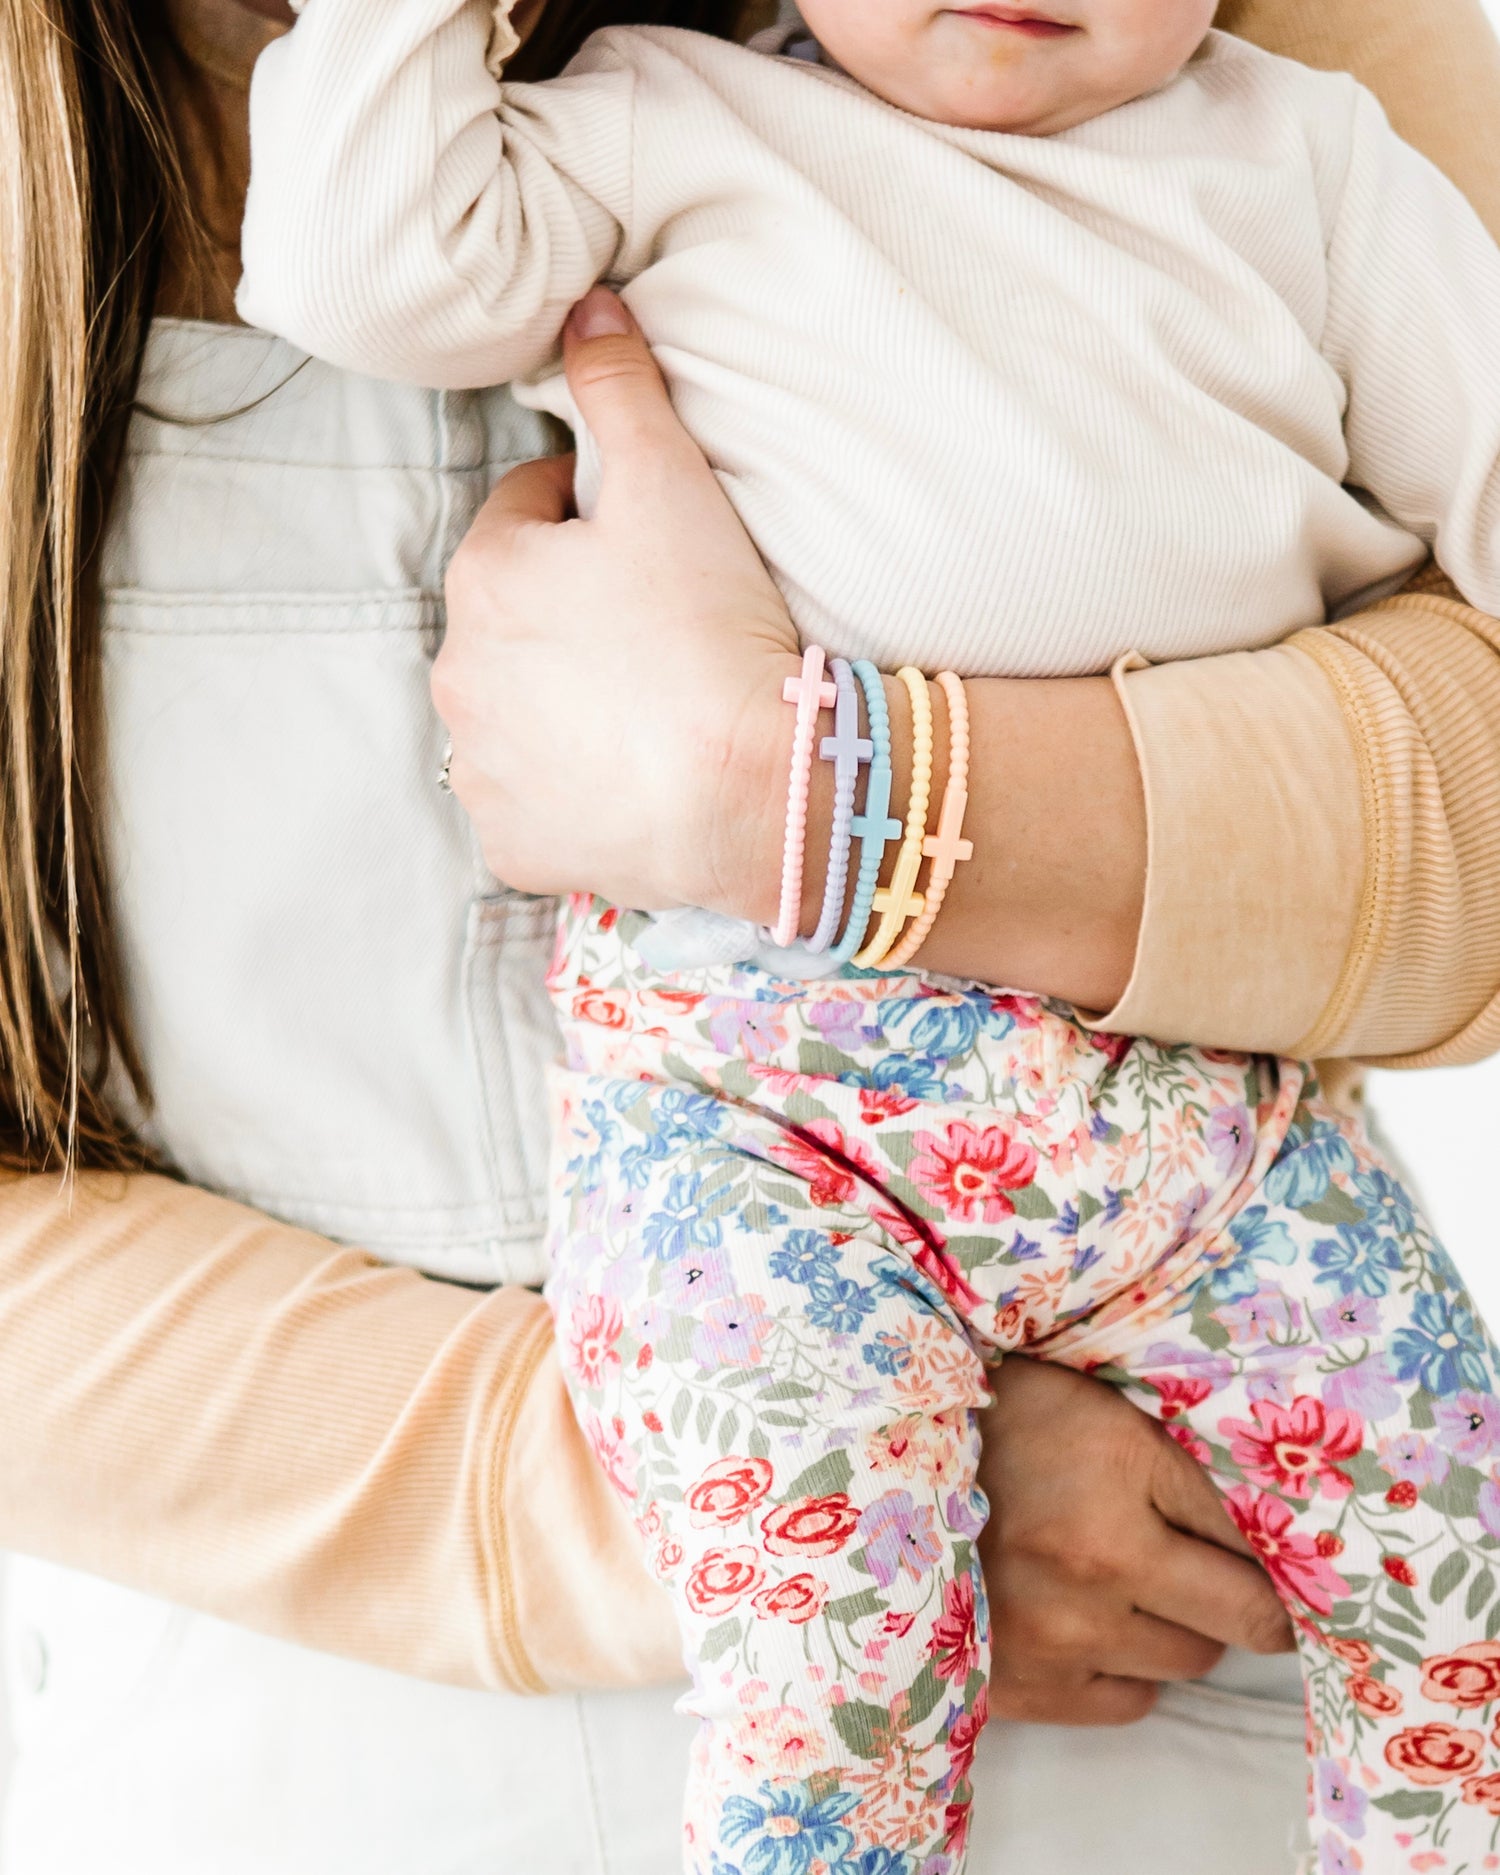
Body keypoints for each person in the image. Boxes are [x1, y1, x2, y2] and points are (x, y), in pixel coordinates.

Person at [0, 0, 1496, 1869]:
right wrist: (770, 1491)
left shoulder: (1286, 108)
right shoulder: (608, 130)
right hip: (325, 1744)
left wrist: (805, 797)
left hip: (1182, 1620)